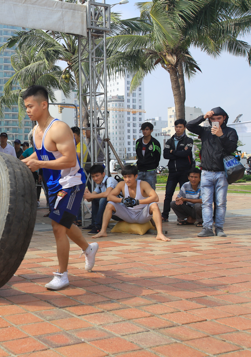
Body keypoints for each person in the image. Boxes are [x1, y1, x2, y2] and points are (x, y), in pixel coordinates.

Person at [21, 85, 98, 290]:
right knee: (63, 222)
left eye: (30, 106)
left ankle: (62, 275)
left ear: (43, 104)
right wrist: (22, 163)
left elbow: (70, 159)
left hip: (72, 182)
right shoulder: (36, 131)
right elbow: (41, 153)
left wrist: (40, 165)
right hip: (54, 185)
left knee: (57, 227)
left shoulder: (59, 128)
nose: (27, 110)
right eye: (25, 107)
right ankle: (88, 248)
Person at [186, 107, 238, 237]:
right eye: (213, 119)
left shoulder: (230, 132)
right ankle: (207, 228)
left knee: (220, 203)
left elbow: (232, 148)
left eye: (219, 118)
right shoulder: (205, 131)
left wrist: (222, 136)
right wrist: (203, 117)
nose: (216, 121)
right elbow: (189, 125)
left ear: (224, 118)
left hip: (222, 173)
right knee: (206, 202)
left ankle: (219, 228)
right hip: (206, 173)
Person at [92, 165, 170, 241]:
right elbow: (109, 197)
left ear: (135, 176)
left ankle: (160, 234)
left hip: (141, 215)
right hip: (128, 214)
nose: (127, 179)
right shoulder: (121, 184)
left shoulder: (143, 184)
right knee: (110, 204)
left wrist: (137, 202)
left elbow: (155, 197)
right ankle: (103, 231)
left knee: (154, 205)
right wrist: (122, 200)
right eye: (125, 177)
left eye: (129, 177)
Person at [162, 119, 194, 221]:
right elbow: (166, 155)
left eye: (180, 127)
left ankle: (184, 216)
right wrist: (178, 152)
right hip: (172, 172)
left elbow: (186, 154)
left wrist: (173, 152)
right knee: (168, 194)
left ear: (184, 128)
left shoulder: (188, 140)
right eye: (176, 127)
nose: (178, 129)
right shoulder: (170, 141)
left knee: (184, 195)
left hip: (184, 172)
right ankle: (165, 215)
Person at [83, 165, 118, 234]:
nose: (95, 178)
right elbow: (90, 199)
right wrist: (87, 195)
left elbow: (107, 194)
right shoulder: (99, 185)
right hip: (111, 208)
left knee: (103, 199)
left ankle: (98, 226)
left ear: (103, 174)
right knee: (96, 199)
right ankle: (94, 224)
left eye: (97, 176)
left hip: (120, 208)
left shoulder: (110, 180)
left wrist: (91, 196)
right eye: (93, 177)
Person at [135, 122, 161, 190]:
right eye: (143, 130)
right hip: (140, 170)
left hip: (150, 171)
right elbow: (138, 154)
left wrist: (153, 166)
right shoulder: (138, 142)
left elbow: (157, 157)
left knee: (150, 190)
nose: (145, 131)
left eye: (147, 129)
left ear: (151, 130)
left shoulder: (155, 143)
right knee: (137, 190)